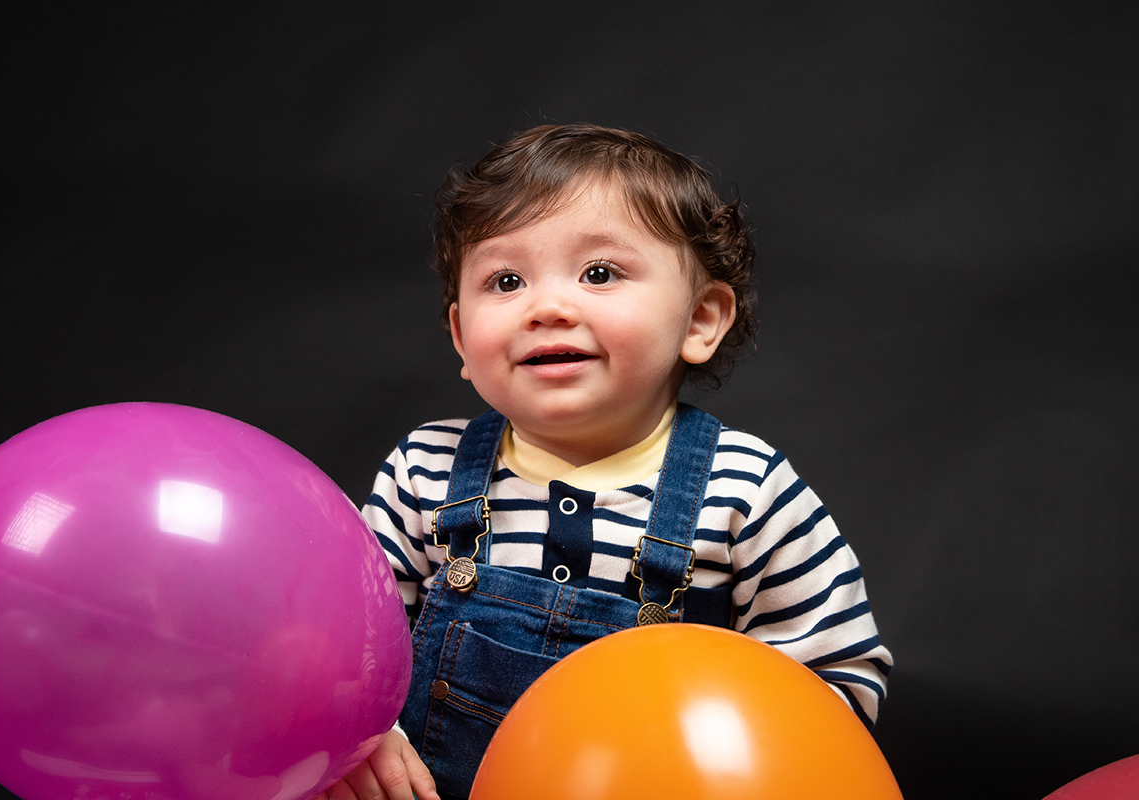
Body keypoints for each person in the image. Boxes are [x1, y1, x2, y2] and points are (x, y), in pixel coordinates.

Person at [320, 123, 893, 800]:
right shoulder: (425, 470)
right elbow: (345, 643)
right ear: (461, 339)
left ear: (700, 320)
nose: (547, 307)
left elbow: (835, 677)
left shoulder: (747, 490)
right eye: (506, 281)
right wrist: (363, 729)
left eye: (599, 273)